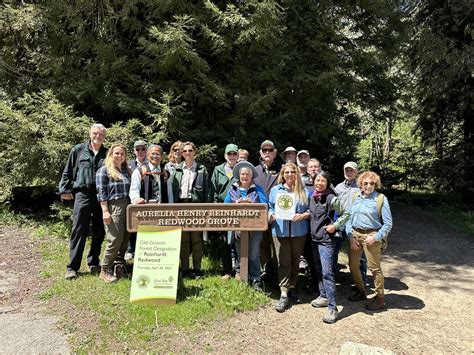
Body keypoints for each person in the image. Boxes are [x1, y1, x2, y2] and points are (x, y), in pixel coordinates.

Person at [59, 123, 108, 280]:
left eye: (101, 134)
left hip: (101, 196)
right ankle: (72, 267)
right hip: (82, 194)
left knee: (99, 231)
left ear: (104, 136)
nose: (97, 136)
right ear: (90, 134)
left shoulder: (108, 153)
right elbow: (68, 171)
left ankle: (93, 262)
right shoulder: (78, 150)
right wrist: (65, 189)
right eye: (95, 133)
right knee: (79, 229)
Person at [346, 171, 393, 311]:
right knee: (353, 265)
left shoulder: (380, 199)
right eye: (365, 183)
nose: (368, 186)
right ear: (360, 184)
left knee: (374, 268)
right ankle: (361, 291)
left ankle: (380, 298)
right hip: (355, 235)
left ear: (375, 184)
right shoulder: (356, 197)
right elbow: (348, 218)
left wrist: (375, 237)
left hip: (371, 236)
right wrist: (350, 237)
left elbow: (388, 224)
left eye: (372, 183)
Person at [268, 163, 310, 313]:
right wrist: (270, 215)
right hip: (280, 231)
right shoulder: (275, 190)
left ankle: (292, 286)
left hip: (299, 232)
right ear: (282, 174)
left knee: (295, 260)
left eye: (293, 171)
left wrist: (303, 215)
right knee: (283, 261)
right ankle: (284, 293)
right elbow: (270, 207)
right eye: (287, 172)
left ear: (297, 173)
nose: (290, 174)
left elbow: (310, 210)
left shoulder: (304, 191)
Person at [309, 171, 349, 324]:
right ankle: (323, 296)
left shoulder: (331, 198)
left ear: (327, 183)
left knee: (327, 273)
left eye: (322, 181)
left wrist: (335, 226)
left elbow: (346, 214)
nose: (319, 183)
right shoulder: (313, 196)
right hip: (314, 238)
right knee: (318, 269)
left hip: (326, 241)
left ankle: (333, 307)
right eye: (317, 180)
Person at [169, 141, 211, 279]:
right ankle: (185, 269)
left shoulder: (201, 169)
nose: (187, 153)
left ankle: (197, 268)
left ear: (195, 152)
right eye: (185, 151)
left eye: (190, 151)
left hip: (196, 205)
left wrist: (207, 208)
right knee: (184, 239)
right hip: (181, 205)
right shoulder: (177, 169)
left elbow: (207, 191)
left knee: (196, 239)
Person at [224, 161, 267, 290]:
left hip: (255, 229)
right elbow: (225, 207)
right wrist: (235, 205)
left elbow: (265, 206)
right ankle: (243, 279)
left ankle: (256, 280)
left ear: (251, 175)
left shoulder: (258, 189)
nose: (244, 176)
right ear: (239, 175)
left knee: (254, 254)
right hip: (237, 229)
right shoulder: (232, 189)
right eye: (242, 174)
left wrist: (252, 205)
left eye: (247, 174)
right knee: (240, 253)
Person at [96, 144, 132, 282]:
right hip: (113, 206)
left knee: (124, 239)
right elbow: (101, 192)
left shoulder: (126, 170)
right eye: (117, 153)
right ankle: (104, 269)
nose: (119, 156)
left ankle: (119, 266)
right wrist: (105, 211)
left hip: (128, 205)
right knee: (114, 239)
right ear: (111, 154)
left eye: (122, 154)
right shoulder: (104, 171)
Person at [334, 161, 367, 284]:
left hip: (357, 225)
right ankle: (333, 277)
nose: (348, 172)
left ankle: (361, 281)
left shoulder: (362, 187)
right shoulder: (338, 188)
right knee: (334, 251)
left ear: (356, 172)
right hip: (341, 224)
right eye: (346, 170)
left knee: (360, 255)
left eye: (351, 170)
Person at [254, 140, 282, 282]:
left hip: (277, 215)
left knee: (277, 244)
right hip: (259, 215)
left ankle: (278, 272)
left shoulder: (281, 169)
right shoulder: (254, 170)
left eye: (270, 150)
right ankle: (266, 271)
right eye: (264, 150)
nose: (267, 153)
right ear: (260, 152)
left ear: (275, 153)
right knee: (262, 244)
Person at [211, 143, 239, 280]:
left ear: (238, 156)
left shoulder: (241, 169)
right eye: (230, 154)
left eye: (234, 154)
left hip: (238, 209)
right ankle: (227, 270)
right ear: (225, 156)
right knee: (223, 240)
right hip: (221, 209)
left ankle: (239, 270)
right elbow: (213, 190)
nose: (232, 156)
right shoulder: (218, 170)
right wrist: (216, 207)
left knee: (237, 239)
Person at [125, 140, 148, 261]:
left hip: (146, 198)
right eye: (137, 149)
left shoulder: (151, 164)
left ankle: (144, 248)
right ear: (134, 151)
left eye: (143, 149)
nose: (140, 151)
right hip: (131, 198)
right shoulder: (128, 165)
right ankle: (130, 249)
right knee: (132, 224)